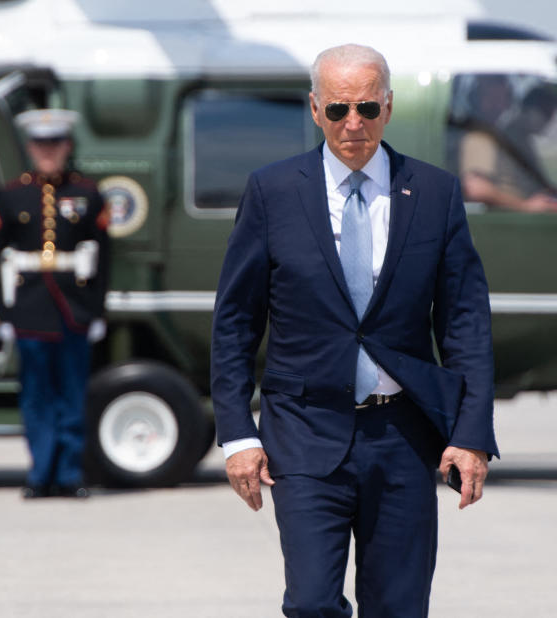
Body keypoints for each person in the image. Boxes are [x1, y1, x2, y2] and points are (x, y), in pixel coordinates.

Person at [211, 44, 498, 616]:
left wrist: (470, 434)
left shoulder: (435, 193)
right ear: (315, 109)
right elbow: (236, 320)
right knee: (313, 602)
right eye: (339, 109)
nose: (353, 124)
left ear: (388, 107)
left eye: (367, 108)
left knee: (399, 605)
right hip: (304, 431)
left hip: (404, 438)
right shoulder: (273, 191)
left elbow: (465, 319)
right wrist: (239, 435)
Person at [0, 109, 110, 499]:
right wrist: (1, 313)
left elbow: (103, 257)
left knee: (72, 395)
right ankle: (41, 474)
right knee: (37, 397)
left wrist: (97, 310)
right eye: (41, 144)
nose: (48, 151)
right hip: (30, 309)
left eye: (55, 144)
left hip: (73, 309)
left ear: (67, 146)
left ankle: (70, 475)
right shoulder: (11, 195)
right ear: (30, 148)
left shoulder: (87, 194)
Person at [459, 81, 557, 212]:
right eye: (490, 97)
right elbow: (476, 187)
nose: (497, 104)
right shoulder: (479, 138)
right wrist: (525, 206)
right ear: (476, 99)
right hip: (504, 222)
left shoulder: (505, 135)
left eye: (501, 97)